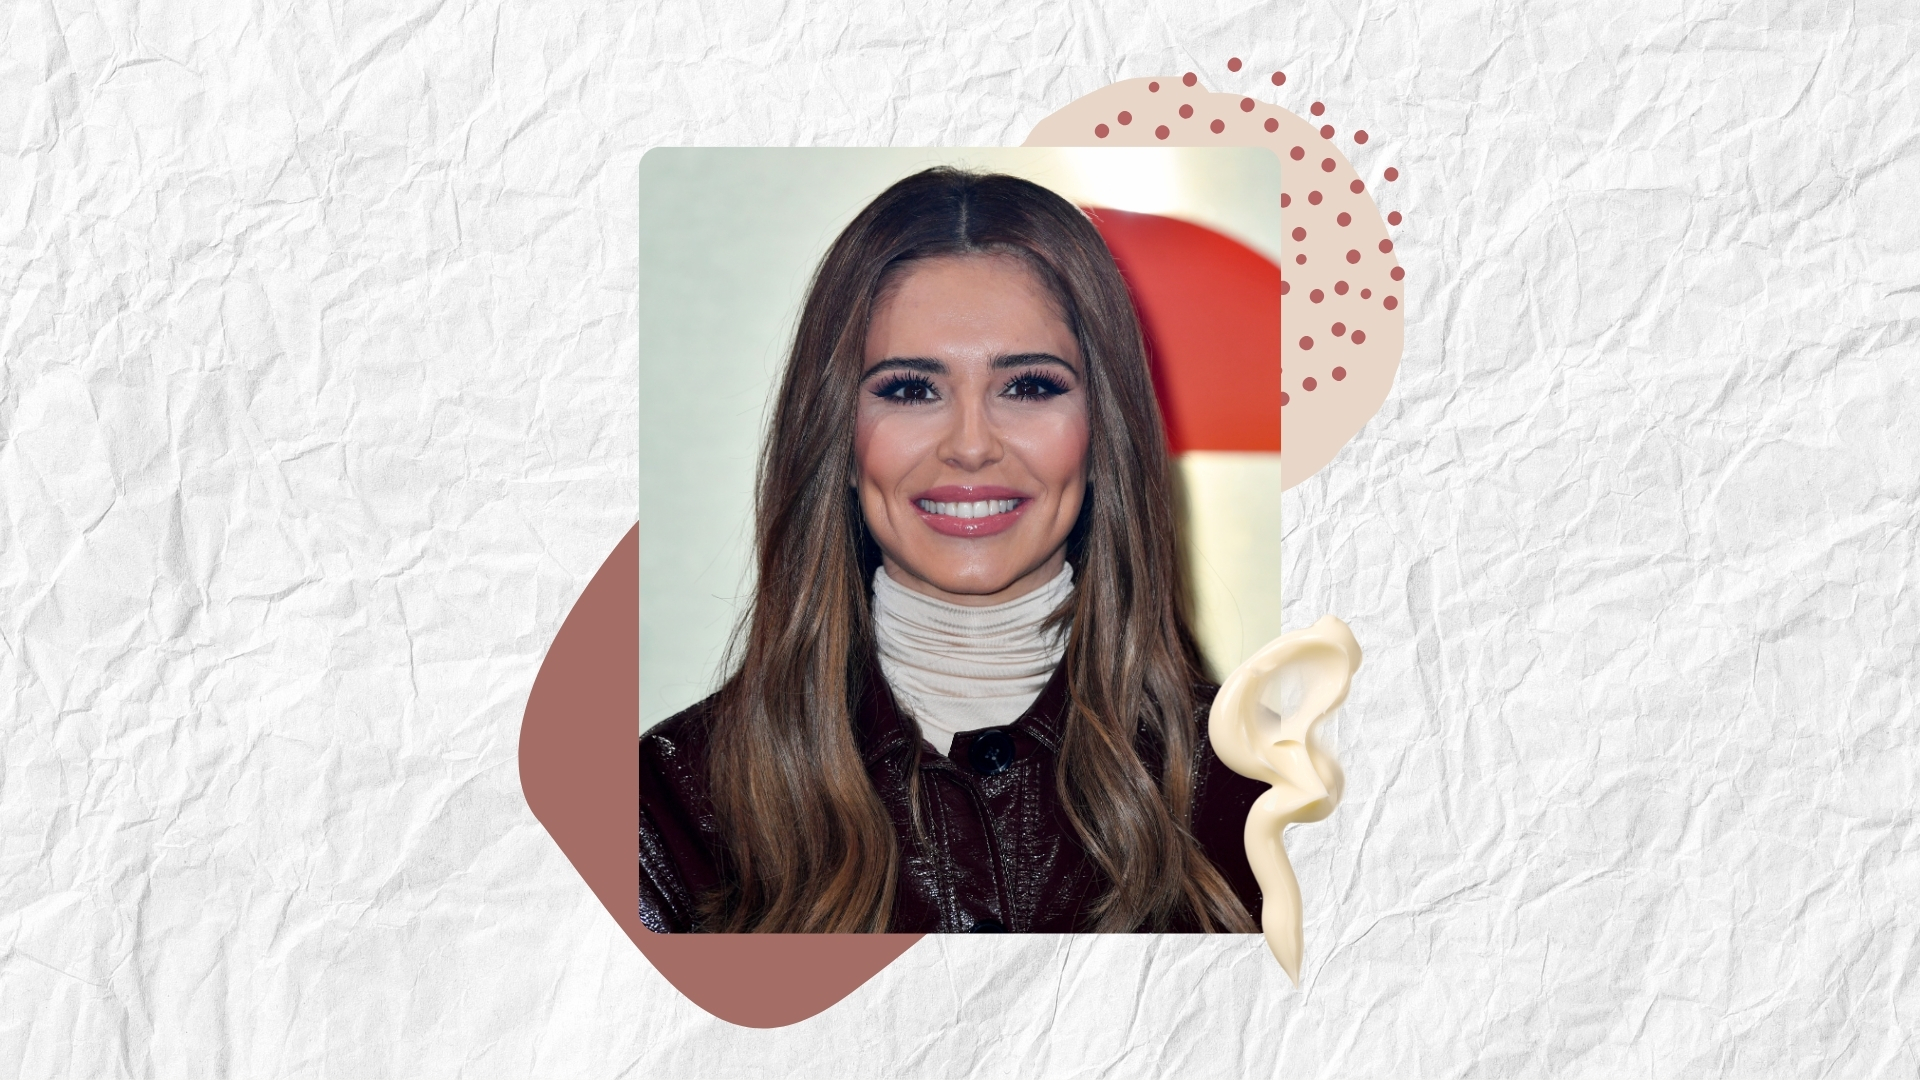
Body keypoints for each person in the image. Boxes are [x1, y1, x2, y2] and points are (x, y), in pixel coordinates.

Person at [638, 167, 1267, 933]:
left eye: (1030, 386)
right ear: (838, 433)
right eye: (910, 390)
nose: (971, 447)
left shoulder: (1264, 791)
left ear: (1105, 432)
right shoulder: (664, 810)